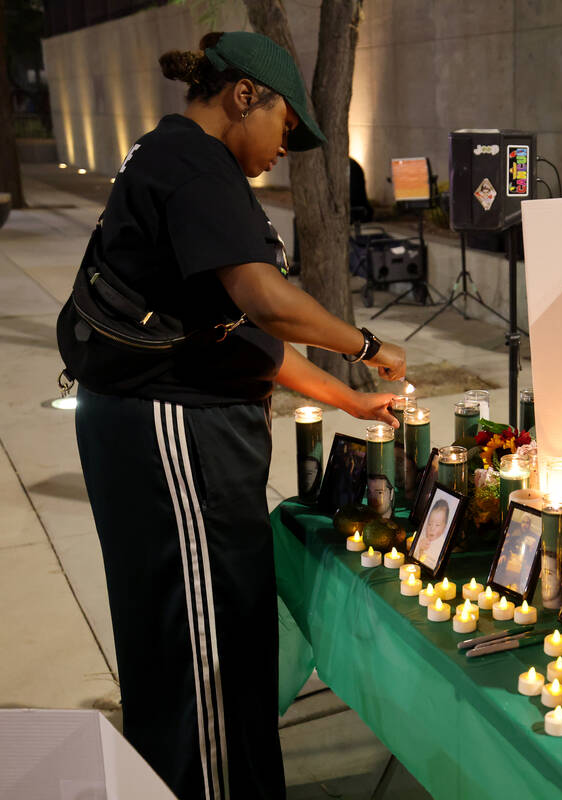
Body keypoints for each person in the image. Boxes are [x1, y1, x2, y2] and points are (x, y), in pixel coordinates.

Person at [57, 32, 409, 800]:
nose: (287, 147)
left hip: (177, 429)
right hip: (173, 437)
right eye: (287, 126)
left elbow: (236, 336)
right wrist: (369, 344)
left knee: (223, 640)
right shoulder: (193, 163)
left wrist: (349, 397)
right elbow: (265, 302)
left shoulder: (184, 163)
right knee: (204, 652)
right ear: (245, 93)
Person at [412, 497, 451, 569]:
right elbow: (415, 557)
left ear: (444, 527)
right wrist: (420, 549)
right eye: (429, 523)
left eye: (437, 525)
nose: (432, 528)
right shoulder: (423, 537)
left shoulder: (442, 544)